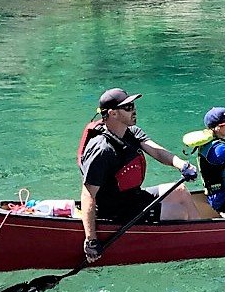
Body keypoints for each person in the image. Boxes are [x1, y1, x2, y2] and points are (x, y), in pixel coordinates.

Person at [78, 88, 201, 262]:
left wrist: (182, 165)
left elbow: (158, 152)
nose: (134, 110)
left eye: (133, 105)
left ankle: (197, 238)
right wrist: (91, 240)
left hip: (133, 198)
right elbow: (88, 194)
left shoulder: (131, 132)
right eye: (128, 107)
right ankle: (193, 244)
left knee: (180, 189)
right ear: (113, 113)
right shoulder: (102, 150)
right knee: (179, 212)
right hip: (118, 212)